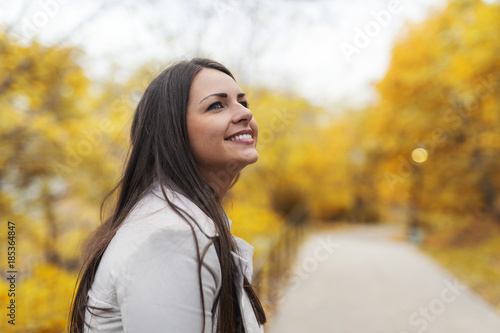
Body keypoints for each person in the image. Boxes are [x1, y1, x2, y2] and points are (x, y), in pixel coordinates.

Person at [69, 58, 267, 333]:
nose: (244, 114)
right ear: (172, 132)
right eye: (217, 105)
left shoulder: (178, 222)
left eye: (243, 103)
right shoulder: (172, 239)